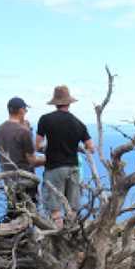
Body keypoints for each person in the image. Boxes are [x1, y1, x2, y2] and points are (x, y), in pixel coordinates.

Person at [35, 85, 94, 226]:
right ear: (69, 103)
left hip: (54, 168)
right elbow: (91, 147)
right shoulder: (78, 123)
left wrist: (47, 148)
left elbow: (37, 145)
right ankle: (71, 237)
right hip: (74, 168)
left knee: (55, 210)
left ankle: (58, 239)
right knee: (72, 209)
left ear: (55, 102)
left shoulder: (45, 119)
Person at [0, 96, 46, 221]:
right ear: (22, 110)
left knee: (13, 213)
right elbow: (32, 160)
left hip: (8, 180)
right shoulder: (23, 132)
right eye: (26, 110)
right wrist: (51, 159)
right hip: (25, 181)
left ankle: (12, 238)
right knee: (28, 216)